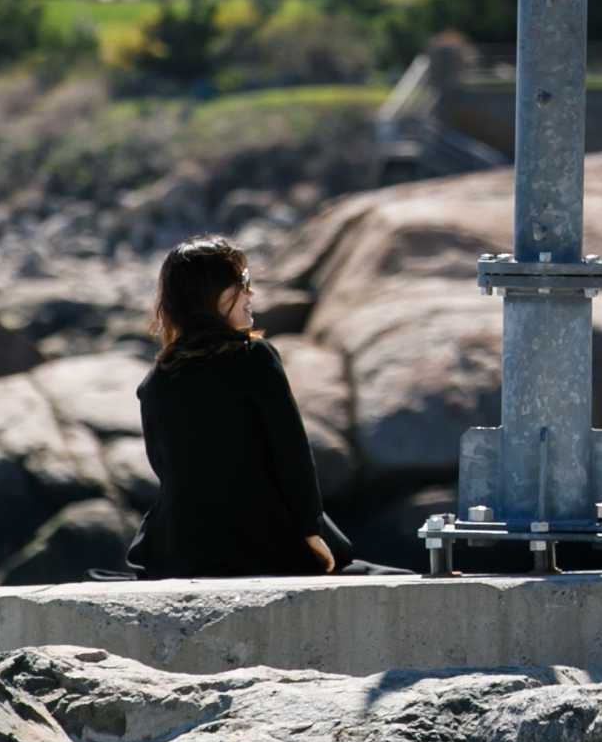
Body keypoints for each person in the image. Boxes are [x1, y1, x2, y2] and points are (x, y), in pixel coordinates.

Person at [127, 236, 404, 580]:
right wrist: (310, 530)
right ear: (217, 294)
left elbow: (170, 472)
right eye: (243, 283)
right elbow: (292, 453)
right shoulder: (252, 357)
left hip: (181, 549)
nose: (251, 294)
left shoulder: (156, 380)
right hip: (260, 543)